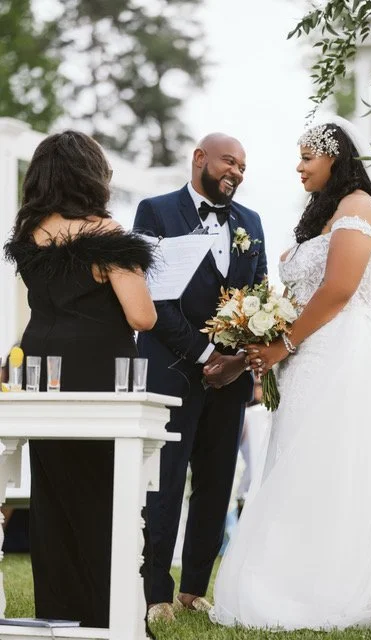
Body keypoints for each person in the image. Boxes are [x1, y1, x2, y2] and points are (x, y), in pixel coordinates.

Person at [210, 117, 371, 630]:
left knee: (331, 463)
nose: (299, 165)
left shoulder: (358, 206)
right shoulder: (323, 216)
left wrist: (282, 345)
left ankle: (333, 582)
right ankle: (302, 576)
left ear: (335, 157)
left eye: (308, 155)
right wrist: (256, 346)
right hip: (311, 352)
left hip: (345, 355)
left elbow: (339, 290)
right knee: (301, 463)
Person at [4, 131, 157, 630]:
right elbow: (141, 316)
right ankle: (106, 615)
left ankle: (60, 616)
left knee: (54, 496)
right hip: (98, 374)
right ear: (90, 174)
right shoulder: (106, 234)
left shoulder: (29, 235)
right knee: (105, 496)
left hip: (41, 370)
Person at [133, 132, 267, 621]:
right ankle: (155, 594)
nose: (236, 171)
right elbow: (153, 295)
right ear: (199, 159)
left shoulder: (250, 222)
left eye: (243, 166)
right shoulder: (155, 211)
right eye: (229, 161)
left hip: (228, 378)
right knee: (164, 481)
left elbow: (259, 292)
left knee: (216, 482)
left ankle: (193, 589)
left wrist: (234, 362)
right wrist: (204, 353)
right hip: (171, 369)